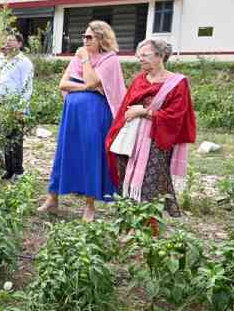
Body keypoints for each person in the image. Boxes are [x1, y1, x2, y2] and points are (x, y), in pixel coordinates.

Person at [38, 20, 127, 221]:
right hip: (73, 114)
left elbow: (91, 80)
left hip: (95, 115)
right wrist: (86, 88)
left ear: (101, 39)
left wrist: (85, 60)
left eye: (89, 37)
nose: (84, 41)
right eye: (83, 37)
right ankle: (53, 198)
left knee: (91, 155)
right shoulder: (79, 57)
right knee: (64, 152)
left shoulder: (109, 59)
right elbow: (63, 83)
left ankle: (89, 205)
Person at [106, 39, 196, 216]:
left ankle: (147, 229)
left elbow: (176, 116)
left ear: (160, 56)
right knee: (127, 178)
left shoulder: (177, 83)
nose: (140, 59)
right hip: (131, 139)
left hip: (157, 140)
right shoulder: (140, 80)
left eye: (145, 55)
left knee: (150, 183)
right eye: (139, 56)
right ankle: (129, 222)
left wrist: (144, 112)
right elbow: (125, 107)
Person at [0, 31, 34, 180]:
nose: (8, 43)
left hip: (16, 106)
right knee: (5, 138)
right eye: (6, 40)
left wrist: (21, 108)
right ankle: (8, 169)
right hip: (1, 104)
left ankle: (18, 170)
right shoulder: (1, 60)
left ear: (19, 44)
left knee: (16, 139)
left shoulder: (24, 62)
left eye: (12, 40)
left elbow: (27, 87)